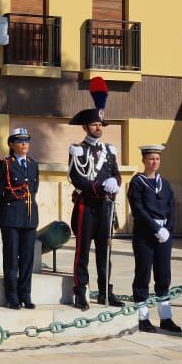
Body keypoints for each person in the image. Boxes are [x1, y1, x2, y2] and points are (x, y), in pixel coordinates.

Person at [67, 103, 122, 310]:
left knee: (104, 252)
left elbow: (116, 173)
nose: (98, 128)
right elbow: (77, 178)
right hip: (87, 206)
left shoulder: (109, 150)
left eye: (100, 124)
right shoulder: (78, 150)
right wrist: (100, 186)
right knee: (82, 251)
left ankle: (105, 291)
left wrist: (116, 181)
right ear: (85, 127)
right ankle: (80, 291)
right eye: (94, 124)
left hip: (106, 207)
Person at [128, 144, 181, 334]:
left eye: (157, 159)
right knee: (143, 273)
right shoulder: (137, 182)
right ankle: (142, 317)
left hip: (163, 235)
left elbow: (172, 206)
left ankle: (166, 317)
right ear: (143, 161)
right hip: (145, 234)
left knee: (164, 274)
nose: (154, 162)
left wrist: (167, 229)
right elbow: (139, 210)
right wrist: (156, 228)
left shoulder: (164, 183)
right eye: (151, 159)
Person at [0, 128, 39, 310]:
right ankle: (12, 297)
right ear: (11, 144)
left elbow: (34, 190)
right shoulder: (5, 164)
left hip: (29, 217)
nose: (24, 143)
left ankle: (25, 295)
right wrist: (5, 211)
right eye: (20, 141)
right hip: (11, 217)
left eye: (27, 140)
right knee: (11, 259)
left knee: (27, 259)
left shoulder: (33, 164)